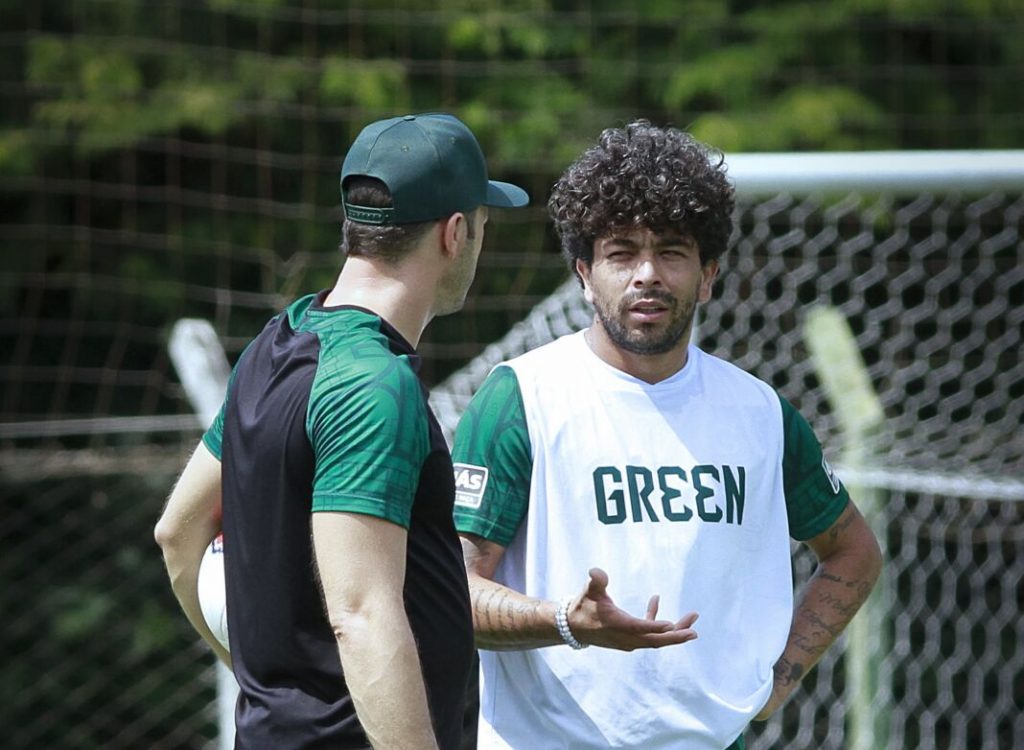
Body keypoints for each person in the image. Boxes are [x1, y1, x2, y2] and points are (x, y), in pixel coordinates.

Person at [451, 120, 883, 750]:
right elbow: (453, 591)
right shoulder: (522, 397)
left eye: (672, 251)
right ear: (584, 273)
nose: (647, 273)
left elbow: (854, 552)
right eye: (621, 251)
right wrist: (568, 623)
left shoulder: (759, 412)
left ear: (708, 274)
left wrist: (776, 681)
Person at [154, 112, 529, 750]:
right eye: (484, 226)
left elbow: (176, 534)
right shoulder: (372, 387)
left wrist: (267, 690)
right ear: (455, 232)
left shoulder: (278, 343)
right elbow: (362, 615)